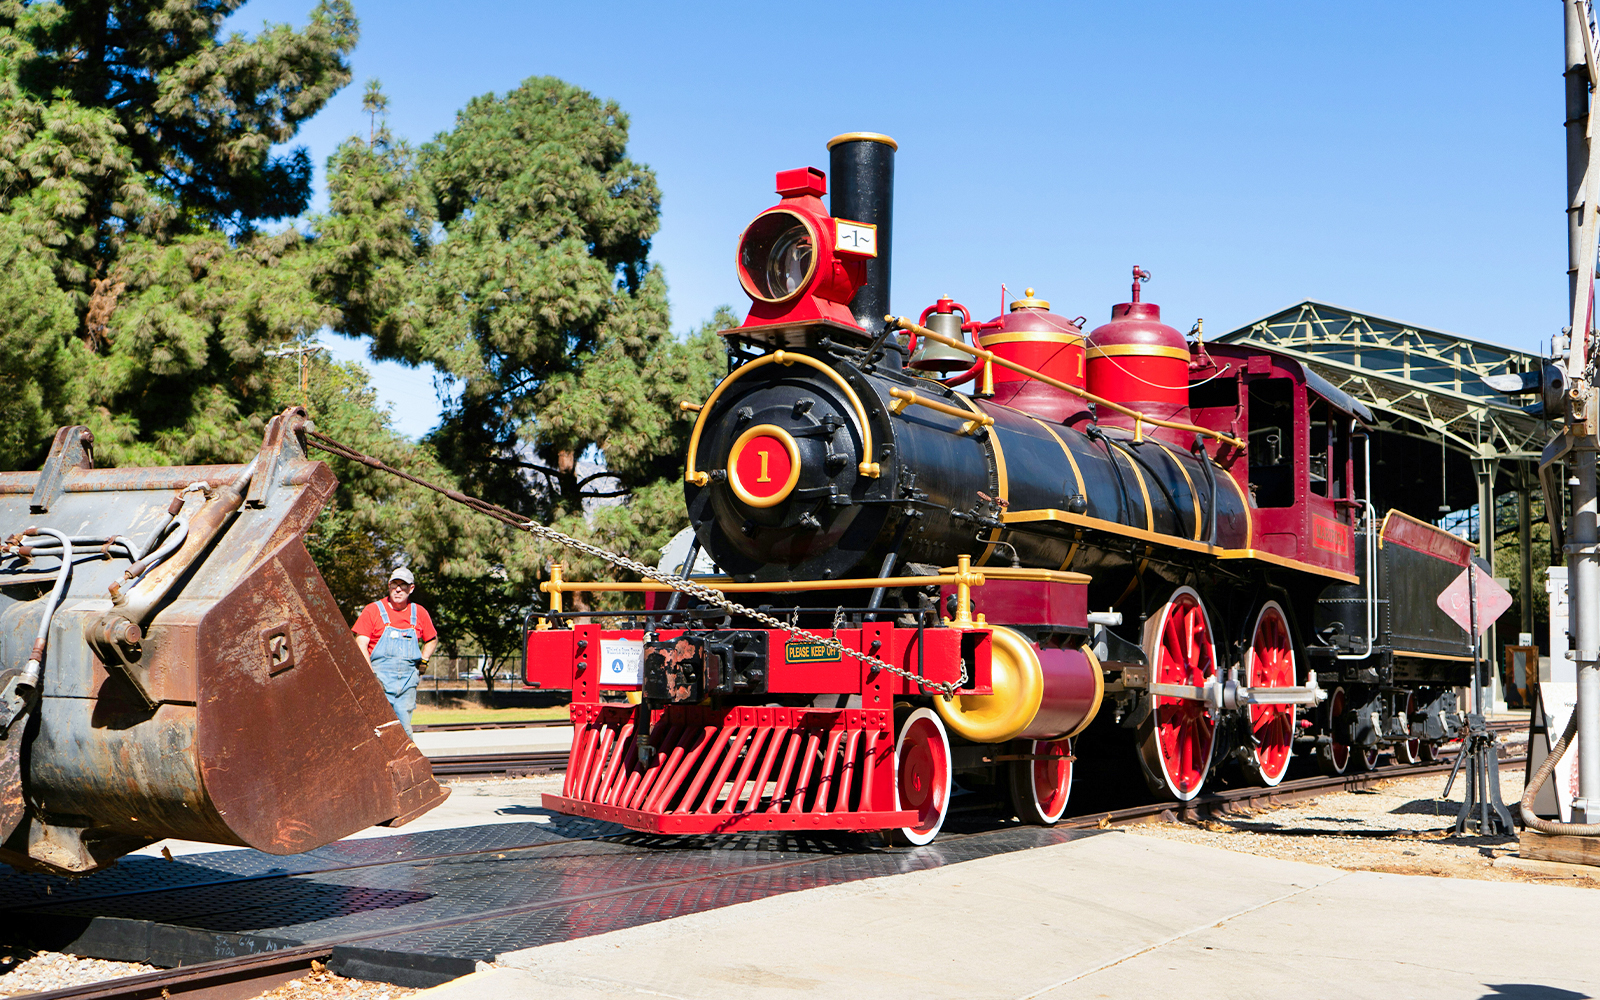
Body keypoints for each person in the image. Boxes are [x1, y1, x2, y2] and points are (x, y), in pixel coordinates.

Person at [352, 567, 438, 736]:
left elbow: (432, 639)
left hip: (407, 684)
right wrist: (371, 676)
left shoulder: (419, 613)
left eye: (403, 585)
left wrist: (424, 660)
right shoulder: (373, 610)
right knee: (376, 730)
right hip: (379, 682)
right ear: (389, 586)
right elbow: (361, 643)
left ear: (411, 588)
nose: (398, 589)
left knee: (403, 732)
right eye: (394, 584)